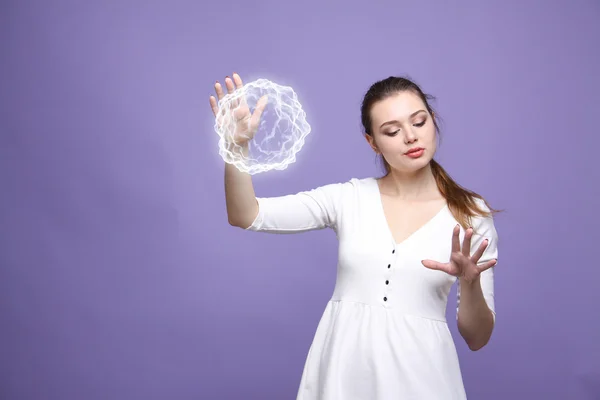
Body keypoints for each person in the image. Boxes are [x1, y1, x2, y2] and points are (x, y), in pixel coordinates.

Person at [209, 72, 500, 399]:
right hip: (343, 376)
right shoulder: (348, 198)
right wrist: (236, 147)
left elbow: (477, 338)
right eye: (392, 130)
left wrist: (470, 282)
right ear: (372, 142)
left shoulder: (471, 214)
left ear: (433, 121)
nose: (410, 137)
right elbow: (246, 214)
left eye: (419, 122)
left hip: (425, 380)